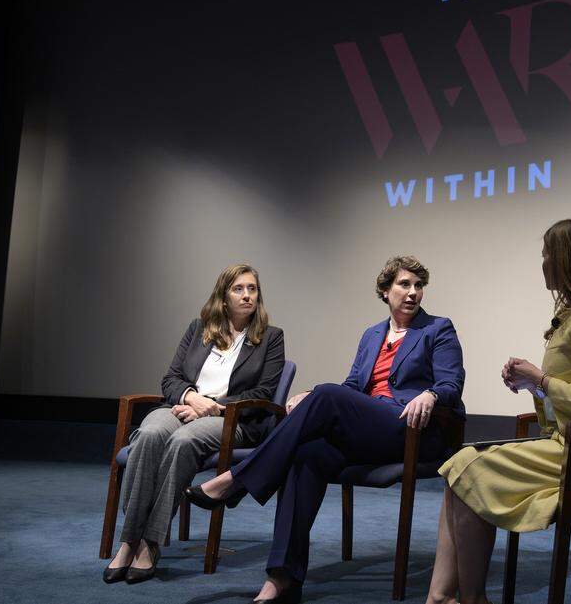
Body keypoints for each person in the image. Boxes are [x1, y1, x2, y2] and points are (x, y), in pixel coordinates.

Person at [187, 255, 465, 604]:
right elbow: (352, 385)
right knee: (307, 454)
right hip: (369, 431)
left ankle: (236, 479)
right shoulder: (372, 335)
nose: (412, 293)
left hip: (409, 429)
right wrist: (310, 395)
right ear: (385, 291)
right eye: (404, 284)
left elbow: (452, 383)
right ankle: (282, 579)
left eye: (418, 286)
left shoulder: (437, 329)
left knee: (326, 396)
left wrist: (431, 393)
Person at [426, 218, 571, 604]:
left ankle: (468, 598)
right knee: (459, 468)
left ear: (568, 260)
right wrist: (533, 384)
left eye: (547, 254)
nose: (543, 262)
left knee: (469, 467)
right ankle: (442, 597)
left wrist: (541, 379)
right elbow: (569, 404)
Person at [103, 263, 285, 584]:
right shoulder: (198, 328)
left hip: (232, 420)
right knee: (148, 434)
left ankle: (150, 542)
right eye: (238, 289)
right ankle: (129, 539)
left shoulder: (270, 338)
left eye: (252, 289)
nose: (246, 296)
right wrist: (190, 398)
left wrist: (213, 408)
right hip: (185, 406)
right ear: (224, 296)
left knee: (184, 441)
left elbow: (263, 392)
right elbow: (171, 378)